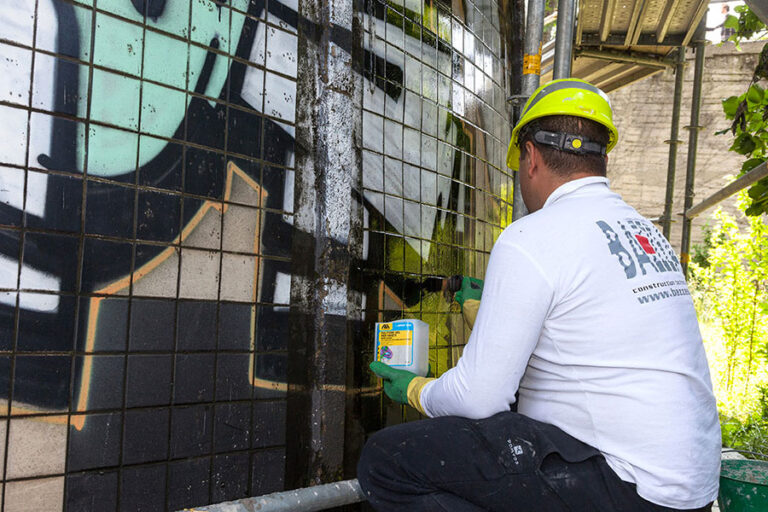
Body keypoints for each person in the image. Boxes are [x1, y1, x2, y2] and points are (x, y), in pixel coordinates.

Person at [357, 79, 721, 512]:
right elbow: (592, 339)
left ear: (529, 156)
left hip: (626, 487)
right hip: (687, 488)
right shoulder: (646, 233)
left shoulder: (531, 236)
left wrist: (419, 390)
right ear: (602, 156)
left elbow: (479, 397)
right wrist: (490, 311)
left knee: (387, 460)